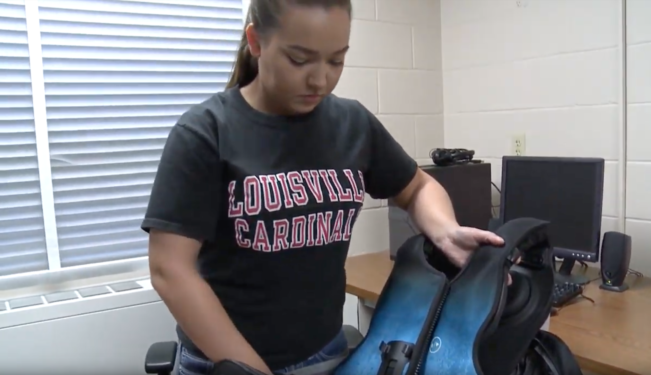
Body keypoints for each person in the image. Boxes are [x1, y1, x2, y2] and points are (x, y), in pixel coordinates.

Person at [141, 0, 505, 374]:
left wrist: (445, 231)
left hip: (325, 355)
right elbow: (171, 269)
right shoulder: (204, 132)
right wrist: (249, 369)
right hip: (225, 363)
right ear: (256, 41)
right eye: (299, 60)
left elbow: (417, 187)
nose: (320, 80)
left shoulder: (352, 123)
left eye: (336, 60)